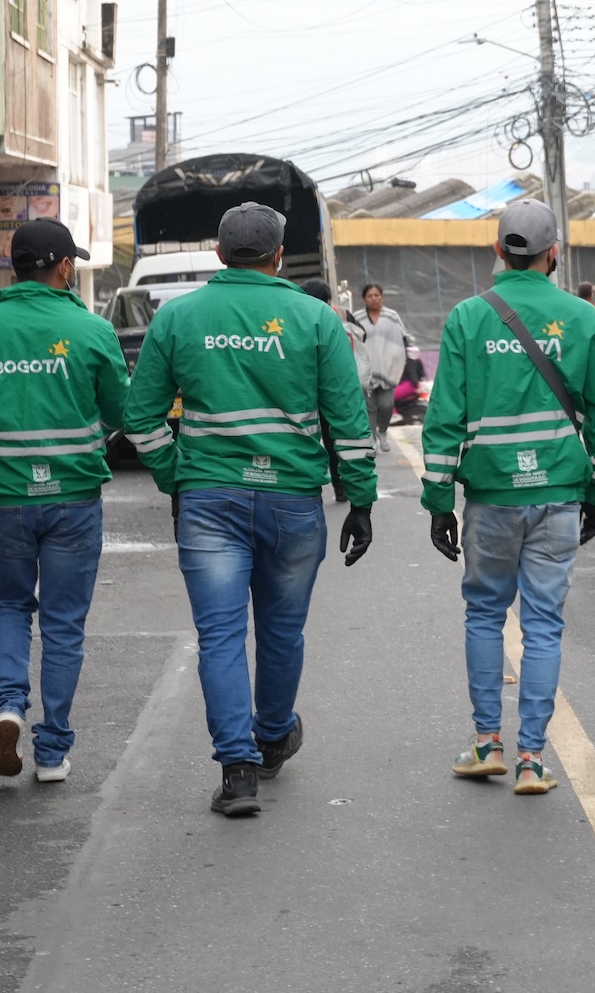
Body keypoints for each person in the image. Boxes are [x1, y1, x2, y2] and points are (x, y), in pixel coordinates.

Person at [123, 202, 378, 817]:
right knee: (282, 631)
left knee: (220, 636)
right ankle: (271, 738)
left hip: (210, 500)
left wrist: (174, 476)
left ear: (218, 255)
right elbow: (348, 420)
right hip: (293, 500)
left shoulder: (179, 316)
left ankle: (237, 770)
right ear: (278, 257)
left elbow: (139, 418)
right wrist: (361, 499)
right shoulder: (316, 318)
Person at [421, 200, 595, 795]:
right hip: (559, 494)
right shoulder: (582, 317)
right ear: (553, 254)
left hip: (491, 497)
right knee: (543, 624)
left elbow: (444, 420)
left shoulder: (467, 318)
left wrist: (438, 501)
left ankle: (487, 744)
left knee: (485, 613)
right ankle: (533, 759)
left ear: (497, 252)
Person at [0, 218, 128, 785]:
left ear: (15, 265)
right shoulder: (91, 330)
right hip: (74, 499)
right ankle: (51, 753)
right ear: (65, 268)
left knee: (11, 608)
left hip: (5, 501)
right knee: (65, 625)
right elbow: (121, 412)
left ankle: (9, 707)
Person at [302, 279, 371, 503]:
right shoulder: (341, 314)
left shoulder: (300, 315)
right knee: (339, 438)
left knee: (312, 438)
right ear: (328, 298)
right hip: (340, 385)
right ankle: (343, 486)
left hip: (310, 388)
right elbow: (362, 335)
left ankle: (320, 484)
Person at [358, 283, 411, 452]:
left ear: (382, 296)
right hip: (367, 371)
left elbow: (402, 339)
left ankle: (383, 432)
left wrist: (402, 361)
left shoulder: (392, 316)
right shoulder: (357, 318)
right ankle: (372, 438)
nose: (373, 299)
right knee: (370, 407)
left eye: (376, 295)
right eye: (369, 296)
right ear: (364, 299)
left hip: (388, 369)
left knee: (387, 404)